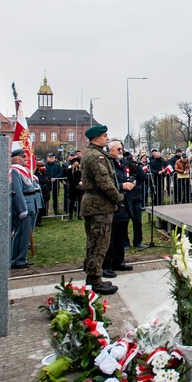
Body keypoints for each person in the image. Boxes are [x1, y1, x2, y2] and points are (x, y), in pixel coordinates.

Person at [81, 125, 122, 295]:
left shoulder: (91, 154)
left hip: (95, 205)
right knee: (99, 243)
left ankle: (92, 276)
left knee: (94, 242)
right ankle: (96, 279)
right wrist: (118, 197)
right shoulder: (96, 156)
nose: (107, 138)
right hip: (99, 205)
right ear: (96, 138)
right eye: (104, 136)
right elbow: (104, 183)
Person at [102, 140, 136, 278]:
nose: (121, 152)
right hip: (112, 205)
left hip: (124, 204)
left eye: (122, 149)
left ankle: (118, 261)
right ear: (110, 151)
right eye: (118, 149)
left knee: (121, 236)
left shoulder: (122, 164)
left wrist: (131, 181)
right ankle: (107, 265)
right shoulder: (108, 164)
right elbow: (108, 184)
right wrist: (122, 186)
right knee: (111, 237)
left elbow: (130, 174)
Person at [9, 149, 35, 269]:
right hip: (23, 203)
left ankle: (21, 257)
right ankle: (18, 259)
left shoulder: (22, 170)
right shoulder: (14, 170)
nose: (25, 158)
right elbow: (17, 190)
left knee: (25, 233)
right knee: (21, 233)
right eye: (22, 156)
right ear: (14, 159)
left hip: (29, 202)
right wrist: (21, 208)